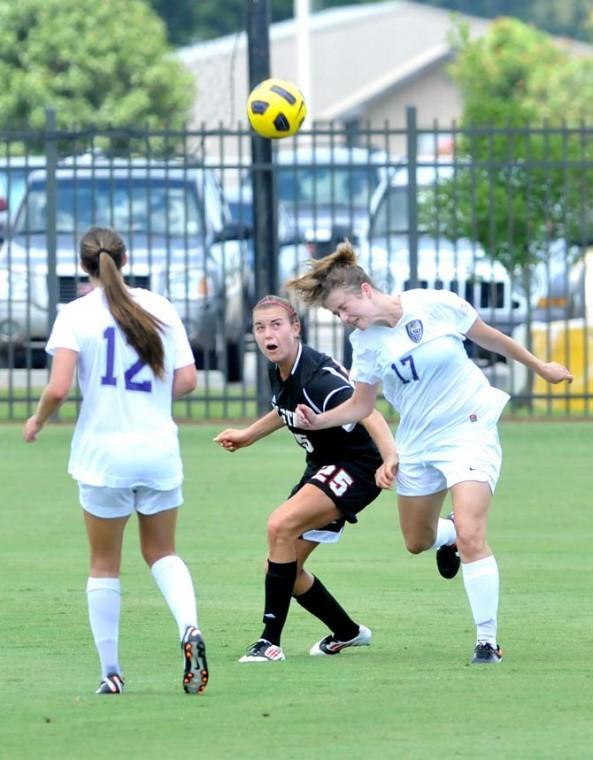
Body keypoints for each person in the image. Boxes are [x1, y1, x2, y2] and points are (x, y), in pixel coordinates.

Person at [286, 242, 573, 665]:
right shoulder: (364, 343)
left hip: (469, 428)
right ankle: (449, 534)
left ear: (365, 291)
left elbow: (492, 339)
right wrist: (317, 422)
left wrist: (541, 367)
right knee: (416, 541)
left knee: (475, 533)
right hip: (418, 442)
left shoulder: (435, 304)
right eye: (336, 315)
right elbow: (361, 406)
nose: (345, 319)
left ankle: (487, 641)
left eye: (345, 308)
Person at [23, 226, 208, 695]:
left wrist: (38, 421)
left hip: (103, 457)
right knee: (162, 552)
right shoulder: (160, 306)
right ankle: (189, 627)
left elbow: (59, 388)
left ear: (84, 266)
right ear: (125, 260)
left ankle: (111, 672)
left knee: (104, 563)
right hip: (157, 451)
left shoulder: (75, 314)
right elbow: (187, 381)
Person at [214, 295, 396, 663]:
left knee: (279, 525)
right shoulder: (279, 367)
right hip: (323, 465)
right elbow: (284, 408)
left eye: (277, 325)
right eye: (260, 327)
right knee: (283, 568)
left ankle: (269, 643)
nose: (269, 334)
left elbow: (369, 414)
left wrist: (391, 456)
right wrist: (249, 434)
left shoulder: (320, 379)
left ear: (296, 328)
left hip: (357, 466)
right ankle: (348, 632)